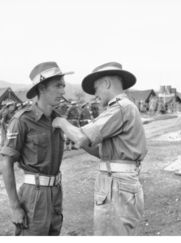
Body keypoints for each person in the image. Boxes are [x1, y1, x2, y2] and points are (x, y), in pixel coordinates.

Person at [52, 62, 147, 236]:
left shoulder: (120, 108)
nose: (95, 95)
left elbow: (81, 137)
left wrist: (61, 122)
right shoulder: (125, 107)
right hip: (120, 179)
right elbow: (100, 151)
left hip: (116, 184)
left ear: (107, 84)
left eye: (96, 89)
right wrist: (80, 137)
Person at [1, 61, 73, 235]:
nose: (63, 91)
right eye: (58, 86)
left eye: (63, 86)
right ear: (41, 88)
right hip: (34, 194)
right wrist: (15, 206)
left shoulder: (58, 119)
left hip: (56, 190)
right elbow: (7, 163)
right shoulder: (22, 120)